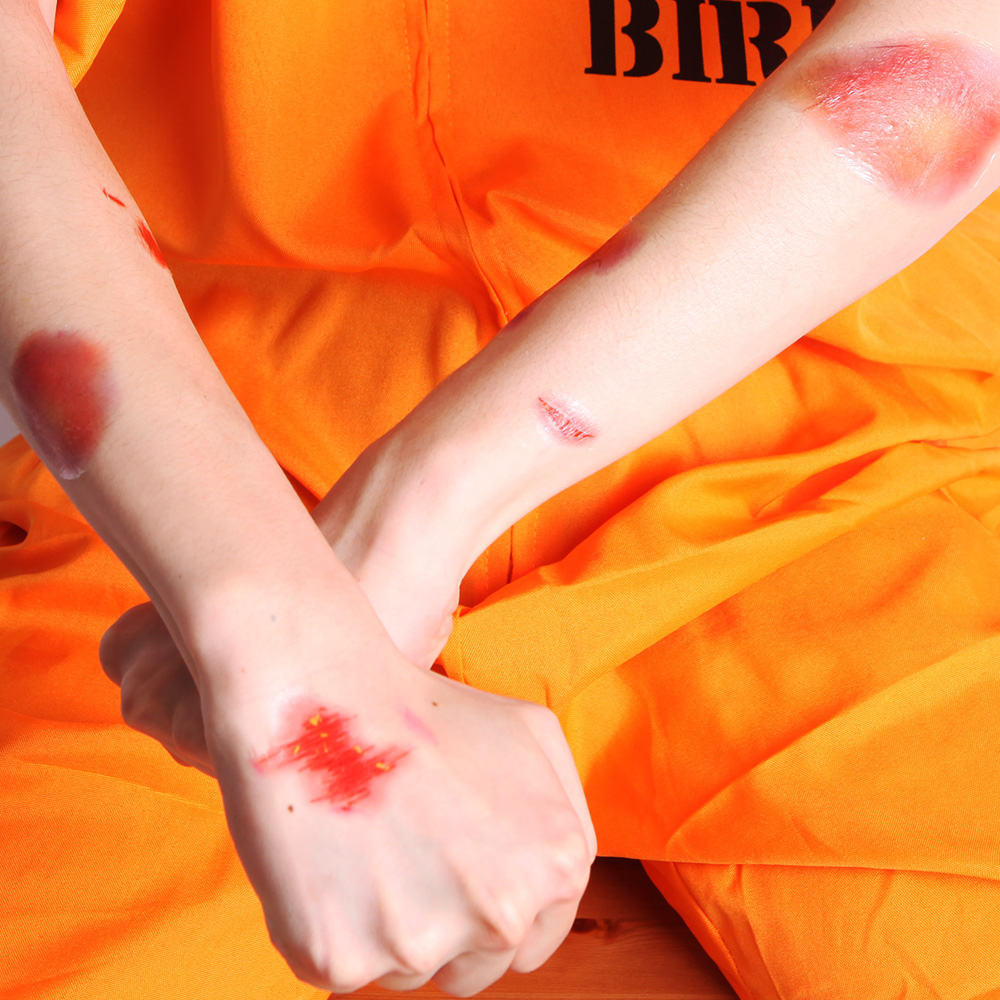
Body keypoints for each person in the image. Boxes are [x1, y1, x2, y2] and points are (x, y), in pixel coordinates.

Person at [1, 0, 999, 996]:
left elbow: (953, 65)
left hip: (859, 463)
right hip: (214, 456)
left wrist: (410, 516)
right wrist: (264, 615)